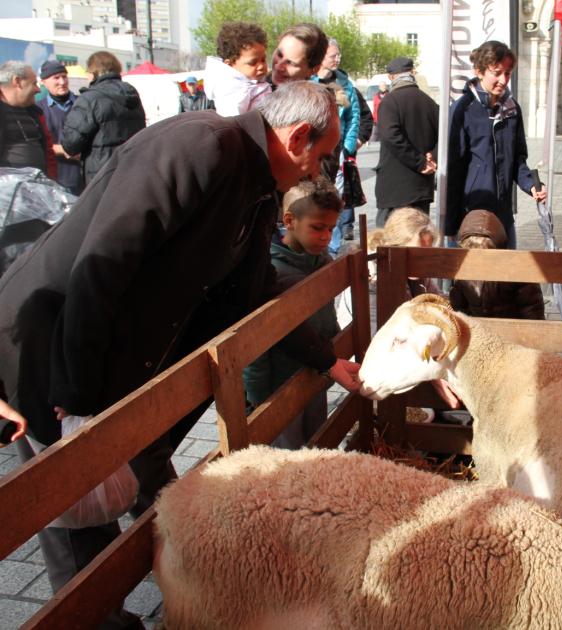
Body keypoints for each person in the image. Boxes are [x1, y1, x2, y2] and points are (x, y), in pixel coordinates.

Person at [0, 81, 358, 626]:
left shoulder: (255, 187)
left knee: (147, 478)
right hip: (54, 345)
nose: (318, 171)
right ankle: (100, 618)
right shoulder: (200, 147)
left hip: (123, 361)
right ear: (298, 138)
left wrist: (326, 360)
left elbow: (256, 290)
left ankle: (197, 586)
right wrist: (74, 400)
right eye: (322, 155)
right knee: (80, 512)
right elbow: (103, 264)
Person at [243, 178, 342, 449]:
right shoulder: (269, 273)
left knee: (318, 442)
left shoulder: (323, 262)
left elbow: (326, 312)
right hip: (279, 386)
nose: (326, 236)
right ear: (289, 220)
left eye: (331, 229)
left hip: (315, 372)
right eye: (317, 228)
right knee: (287, 455)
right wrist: (260, 396)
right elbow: (255, 339)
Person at [446, 41, 546, 249]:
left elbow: (518, 158)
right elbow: (453, 170)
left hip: (503, 212)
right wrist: (451, 225)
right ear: (479, 71)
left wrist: (530, 184)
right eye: (497, 72)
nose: (503, 80)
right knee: (474, 279)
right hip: (473, 214)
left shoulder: (512, 109)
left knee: (505, 276)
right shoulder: (462, 109)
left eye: (507, 73)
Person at [61, 51, 145, 186]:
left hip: (102, 174)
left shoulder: (90, 98)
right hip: (132, 169)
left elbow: (70, 145)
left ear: (93, 72)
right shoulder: (132, 94)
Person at [375, 56, 438, 228]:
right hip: (420, 187)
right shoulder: (429, 102)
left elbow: (390, 136)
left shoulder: (389, 101)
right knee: (417, 240)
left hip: (395, 188)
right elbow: (444, 135)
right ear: (412, 73)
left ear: (391, 77)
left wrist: (420, 162)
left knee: (389, 243)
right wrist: (432, 159)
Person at [449, 209, 544, 320]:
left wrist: (532, 333)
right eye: (473, 256)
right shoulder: (463, 273)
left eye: (487, 255)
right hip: (479, 330)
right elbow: (458, 306)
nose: (480, 262)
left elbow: (532, 308)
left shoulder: (517, 269)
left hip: (513, 330)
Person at [315, 39, 361, 255]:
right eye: (333, 55)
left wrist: (349, 146)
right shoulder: (308, 81)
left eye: (338, 55)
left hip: (337, 152)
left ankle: (331, 246)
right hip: (312, 150)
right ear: (321, 57)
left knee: (334, 197)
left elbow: (354, 118)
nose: (338, 59)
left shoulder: (345, 84)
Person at [367, 206, 441, 297]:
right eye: (416, 254)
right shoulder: (373, 279)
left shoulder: (419, 274)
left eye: (427, 254)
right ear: (392, 245)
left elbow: (438, 300)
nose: (423, 262)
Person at [0, 61, 57, 178]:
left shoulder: (35, 112)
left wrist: (52, 180)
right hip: (7, 192)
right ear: (17, 81)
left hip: (39, 188)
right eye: (34, 83)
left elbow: (48, 151)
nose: (38, 90)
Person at [203, 21, 271, 116]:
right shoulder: (232, 88)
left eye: (263, 60)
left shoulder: (250, 82)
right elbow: (233, 120)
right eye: (252, 63)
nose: (261, 66)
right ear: (229, 64)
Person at [36, 60, 83, 195]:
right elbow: (39, 144)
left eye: (64, 76)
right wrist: (63, 150)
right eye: (56, 78)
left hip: (86, 175)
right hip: (58, 179)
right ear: (44, 82)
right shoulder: (38, 109)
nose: (62, 82)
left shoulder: (83, 103)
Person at [270, 23, 328, 88]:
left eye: (290, 63)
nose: (278, 66)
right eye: (279, 55)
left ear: (314, 70)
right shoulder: (259, 83)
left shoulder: (315, 97)